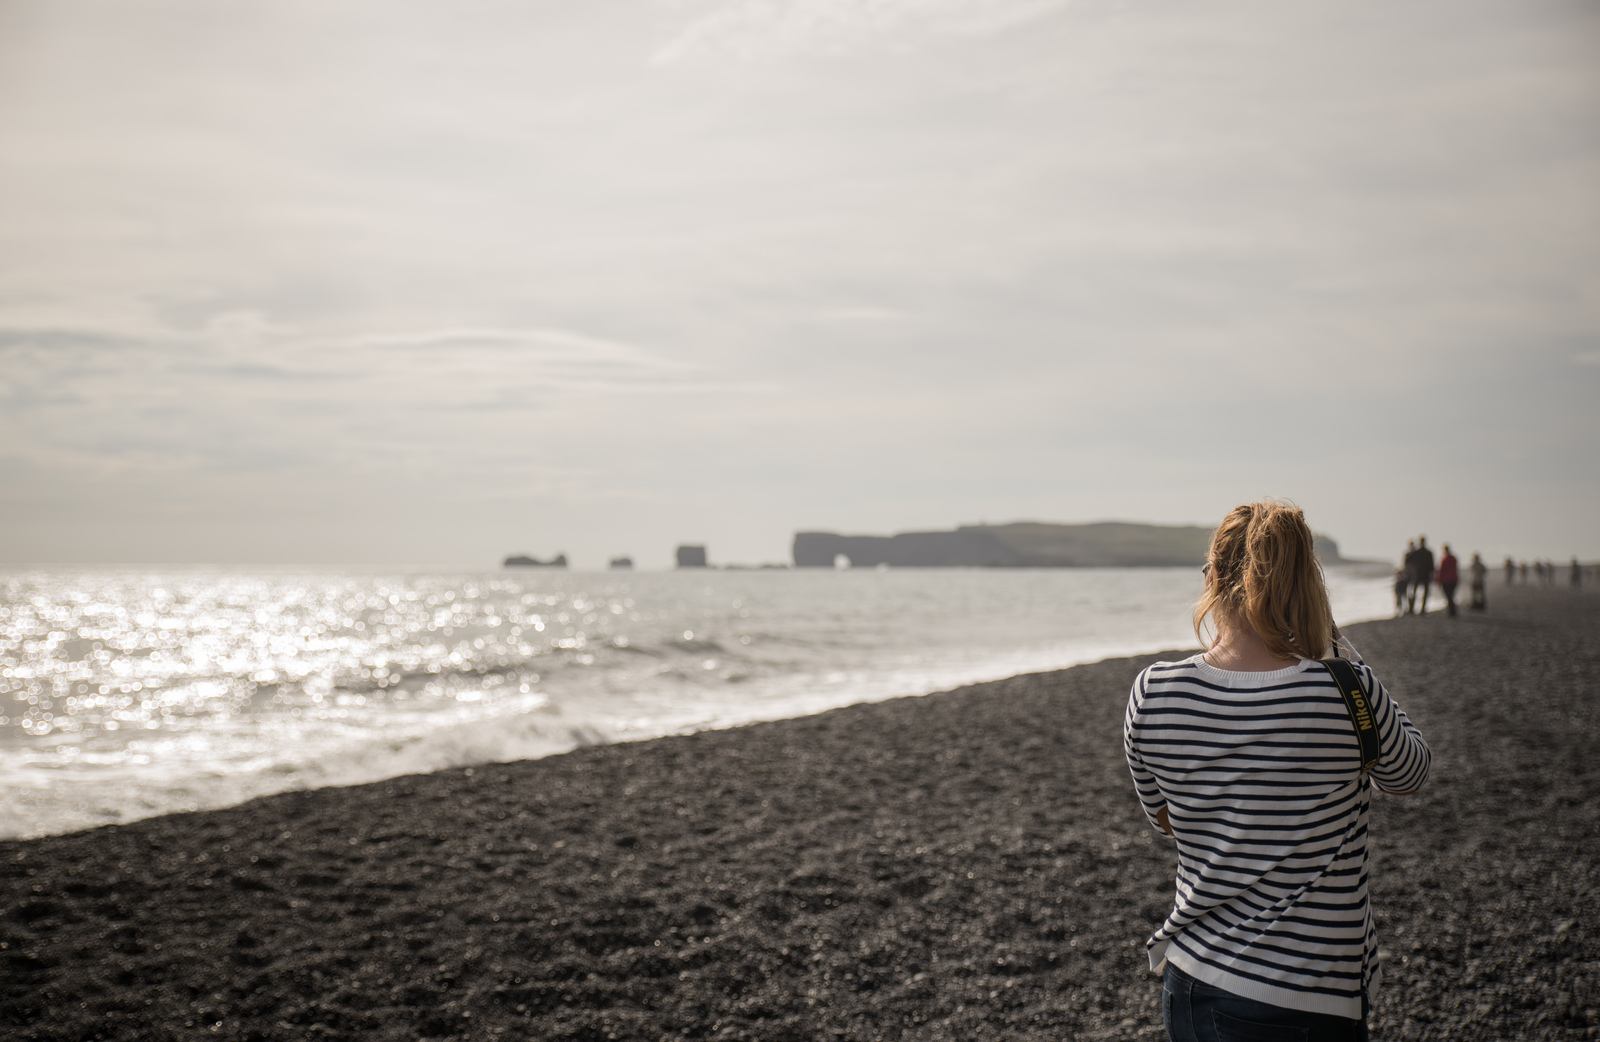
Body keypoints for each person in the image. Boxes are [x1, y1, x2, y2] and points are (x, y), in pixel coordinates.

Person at [1124, 501, 1431, 1042]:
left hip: (1194, 976)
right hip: (1310, 991)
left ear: (1213, 576)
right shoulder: (1347, 688)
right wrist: (1335, 647)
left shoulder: (1153, 691)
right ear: (1307, 585)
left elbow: (1167, 819)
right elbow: (1410, 773)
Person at [1408, 536, 1436, 614]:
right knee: (1420, 592)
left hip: (1419, 575)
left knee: (1416, 592)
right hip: (1422, 575)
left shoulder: (1418, 552)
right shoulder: (1427, 552)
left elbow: (1408, 561)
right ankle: (1420, 609)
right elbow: (1432, 566)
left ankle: (1414, 609)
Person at [1437, 544, 1459, 617]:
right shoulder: (1453, 558)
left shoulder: (1445, 559)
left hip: (1447, 580)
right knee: (1450, 595)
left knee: (1449, 596)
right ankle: (1452, 610)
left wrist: (1439, 580)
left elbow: (1441, 571)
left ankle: (1452, 611)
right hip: (1453, 579)